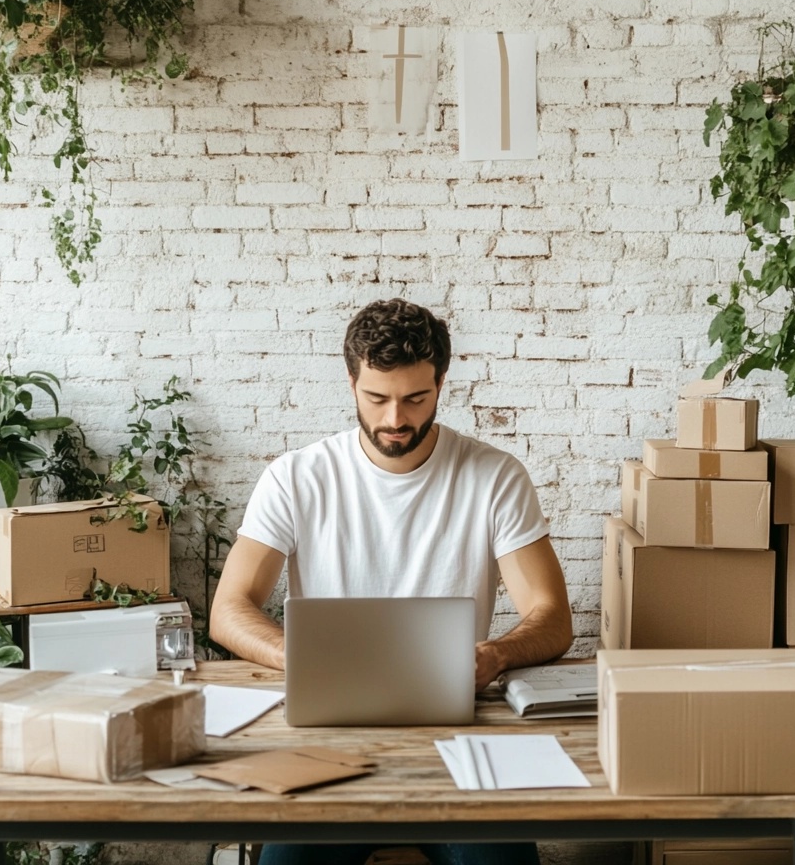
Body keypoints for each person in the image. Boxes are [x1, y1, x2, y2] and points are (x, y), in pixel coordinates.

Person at [210, 298, 574, 865]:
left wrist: (495, 655)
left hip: (453, 740)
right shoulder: (295, 478)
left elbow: (552, 618)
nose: (395, 419)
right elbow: (229, 609)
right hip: (326, 742)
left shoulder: (495, 477)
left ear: (441, 383)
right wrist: (300, 657)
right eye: (377, 398)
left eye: (415, 398)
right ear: (351, 382)